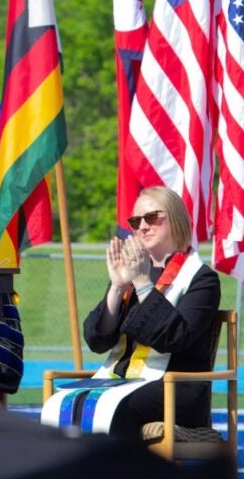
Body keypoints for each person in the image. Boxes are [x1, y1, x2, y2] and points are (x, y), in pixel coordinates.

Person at [40, 186, 220, 436]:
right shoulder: (132, 271)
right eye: (136, 221)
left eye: (152, 218)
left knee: (114, 410)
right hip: (122, 380)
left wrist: (144, 284)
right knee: (59, 406)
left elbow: (176, 338)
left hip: (175, 387)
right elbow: (97, 341)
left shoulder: (201, 279)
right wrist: (116, 287)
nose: (143, 226)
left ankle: (117, 475)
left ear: (176, 219)